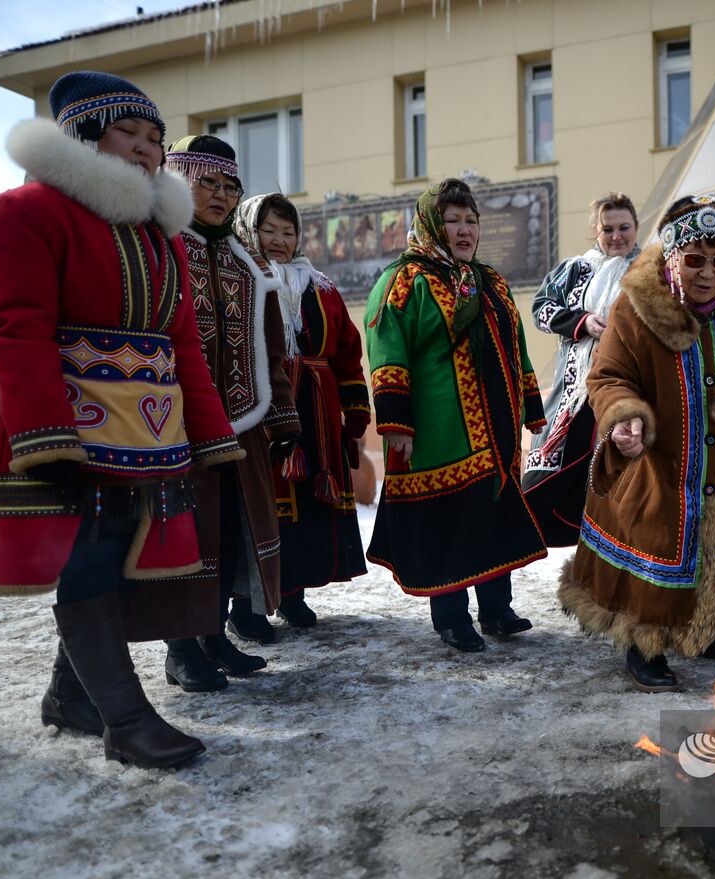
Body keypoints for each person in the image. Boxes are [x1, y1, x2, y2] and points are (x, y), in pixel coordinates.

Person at [0, 72, 245, 767]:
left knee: (125, 558)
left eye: (156, 138)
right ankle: (124, 720)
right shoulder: (23, 211)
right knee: (91, 558)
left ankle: (70, 697)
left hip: (149, 430)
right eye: (130, 132)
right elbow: (16, 327)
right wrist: (47, 432)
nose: (148, 149)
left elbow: (183, 341)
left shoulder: (160, 240)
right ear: (85, 135)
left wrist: (210, 433)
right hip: (71, 422)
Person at [557, 194, 715, 692]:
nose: (708, 273)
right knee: (655, 550)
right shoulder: (635, 309)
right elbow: (609, 375)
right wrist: (623, 417)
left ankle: (711, 630)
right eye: (694, 260)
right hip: (655, 467)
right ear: (671, 256)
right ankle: (643, 643)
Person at [143, 135, 302, 692]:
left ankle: (214, 636)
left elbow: (272, 346)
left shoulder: (247, 263)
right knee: (188, 534)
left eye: (229, 186)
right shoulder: (158, 245)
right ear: (178, 177)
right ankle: (180, 647)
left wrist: (282, 417)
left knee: (232, 531)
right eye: (205, 181)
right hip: (175, 424)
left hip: (244, 422)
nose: (219, 194)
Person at [364, 179, 548, 652]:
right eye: (452, 220)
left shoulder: (490, 281)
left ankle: (496, 610)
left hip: (496, 431)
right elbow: (387, 352)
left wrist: (531, 409)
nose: (464, 230)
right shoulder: (403, 282)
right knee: (446, 522)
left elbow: (516, 347)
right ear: (430, 224)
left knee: (491, 514)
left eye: (471, 221)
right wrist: (397, 424)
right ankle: (451, 618)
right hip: (437, 432)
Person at [233, 194, 370, 626]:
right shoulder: (242, 279)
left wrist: (355, 409)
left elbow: (348, 352)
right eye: (268, 230)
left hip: (319, 411)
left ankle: (295, 594)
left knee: (310, 502)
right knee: (267, 505)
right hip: (264, 410)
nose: (279, 240)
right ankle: (249, 605)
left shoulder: (320, 286)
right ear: (249, 232)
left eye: (287, 232)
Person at [523, 192, 640, 545]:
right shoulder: (575, 268)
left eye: (624, 227)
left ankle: (615, 566)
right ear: (596, 230)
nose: (617, 236)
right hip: (575, 394)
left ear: (636, 227)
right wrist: (582, 321)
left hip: (628, 391)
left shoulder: (650, 271)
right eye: (608, 229)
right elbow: (541, 309)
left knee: (621, 484)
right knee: (551, 481)